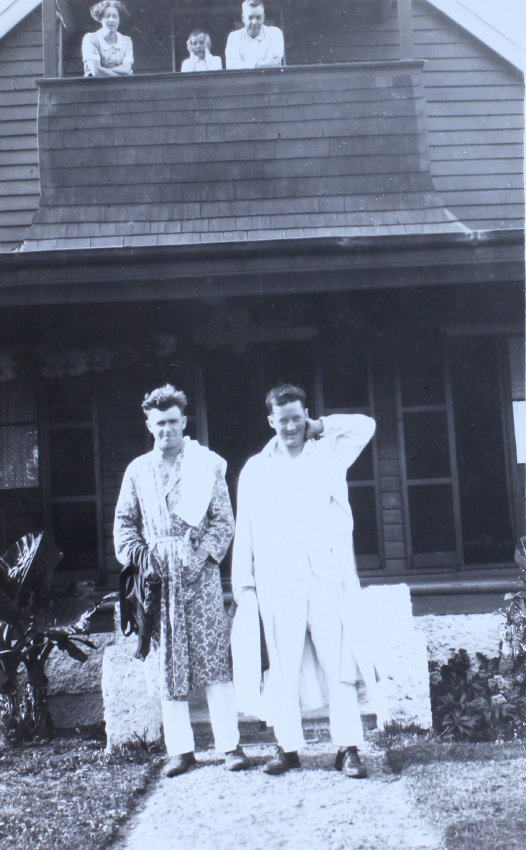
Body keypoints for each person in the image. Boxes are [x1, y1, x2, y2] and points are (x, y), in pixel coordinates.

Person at [231, 384, 379, 777]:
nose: (291, 427)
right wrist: (243, 585)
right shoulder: (256, 469)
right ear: (271, 421)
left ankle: (347, 747)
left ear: (306, 416)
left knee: (338, 660)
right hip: (279, 578)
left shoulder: (328, 453)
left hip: (324, 574)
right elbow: (244, 528)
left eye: (297, 418)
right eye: (283, 420)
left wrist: (322, 426)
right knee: (282, 665)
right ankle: (287, 748)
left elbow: (365, 426)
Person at [114, 384, 249, 776]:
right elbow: (124, 525)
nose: (167, 430)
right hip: (157, 579)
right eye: (159, 423)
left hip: (200, 575)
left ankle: (230, 746)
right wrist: (143, 560)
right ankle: (181, 750)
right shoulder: (138, 471)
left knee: (213, 658)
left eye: (173, 422)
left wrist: (201, 556)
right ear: (149, 425)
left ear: (184, 421)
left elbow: (223, 520)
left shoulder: (206, 465)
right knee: (166, 662)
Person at [225, 0, 284, 70]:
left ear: (263, 17)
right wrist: (261, 65)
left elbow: (274, 64)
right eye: (250, 17)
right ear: (243, 18)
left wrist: (245, 65)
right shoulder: (234, 37)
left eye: (258, 17)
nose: (254, 22)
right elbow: (231, 66)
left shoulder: (275, 33)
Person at [82, 1, 134, 78]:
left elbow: (126, 69)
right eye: (107, 16)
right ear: (100, 19)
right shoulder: (91, 38)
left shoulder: (127, 41)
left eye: (115, 16)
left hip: (122, 84)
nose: (111, 20)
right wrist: (120, 77)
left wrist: (102, 70)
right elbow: (96, 72)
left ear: (119, 20)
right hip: (95, 84)